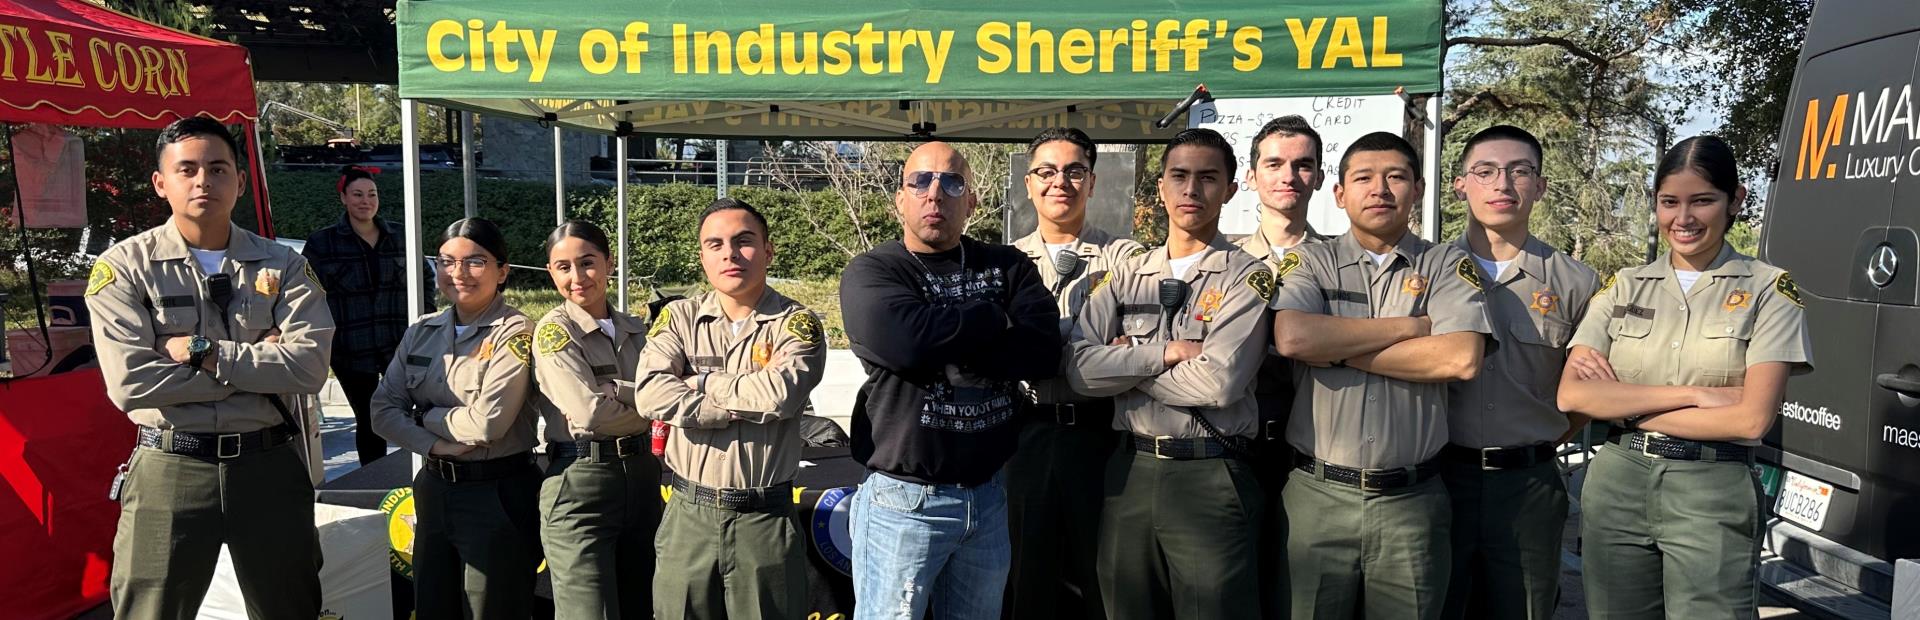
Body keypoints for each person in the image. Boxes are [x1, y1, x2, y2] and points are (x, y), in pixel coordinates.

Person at [87, 116, 333, 620]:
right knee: (148, 611)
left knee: (292, 606)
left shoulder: (283, 265)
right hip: (171, 468)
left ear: (240, 181)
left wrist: (201, 352)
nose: (204, 181)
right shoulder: (124, 267)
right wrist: (259, 364)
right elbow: (131, 383)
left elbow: (308, 369)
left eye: (219, 168)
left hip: (268, 466)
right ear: (161, 183)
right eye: (188, 169)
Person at [1558, 135, 1812, 619]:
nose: (1684, 218)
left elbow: (1751, 421)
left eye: (1703, 201)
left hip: (1712, 488)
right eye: (1669, 202)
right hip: (1617, 485)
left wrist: (1627, 407)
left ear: (1735, 199)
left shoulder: (1769, 290)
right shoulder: (1624, 285)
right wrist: (1695, 395)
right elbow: (1574, 394)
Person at [1269, 131, 1491, 620]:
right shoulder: (1310, 260)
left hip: (1412, 505)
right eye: (1364, 177)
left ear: (1417, 190)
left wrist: (1341, 350)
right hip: (1317, 497)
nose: (1380, 189)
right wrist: (1411, 328)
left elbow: (1460, 358)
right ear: (1340, 193)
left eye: (1396, 177)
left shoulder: (1446, 264)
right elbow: (1294, 339)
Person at [839, 141, 1063, 620]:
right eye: (919, 181)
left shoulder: (1006, 265)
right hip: (905, 501)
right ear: (900, 198)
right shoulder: (874, 272)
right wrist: (992, 317)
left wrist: (947, 336)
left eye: (952, 182)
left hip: (987, 496)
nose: (934, 193)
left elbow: (1043, 350)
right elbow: (906, 343)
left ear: (972, 202)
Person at [1066, 127, 1272, 620]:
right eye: (1178, 176)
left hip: (1210, 472)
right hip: (1131, 472)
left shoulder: (1249, 276)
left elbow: (1217, 384)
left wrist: (1126, 361)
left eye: (1207, 178)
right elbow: (1077, 371)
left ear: (1230, 189)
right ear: (1160, 187)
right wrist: (1167, 353)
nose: (1191, 190)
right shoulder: (1127, 274)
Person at [635, 198, 828, 619]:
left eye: (744, 242)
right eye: (715, 244)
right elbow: (650, 393)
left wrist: (701, 383)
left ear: (768, 250)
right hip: (689, 515)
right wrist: (729, 408)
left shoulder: (796, 323)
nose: (730, 254)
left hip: (764, 519)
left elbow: (780, 395)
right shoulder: (679, 318)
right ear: (703, 256)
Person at [1441, 125, 1601, 620]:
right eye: (1484, 171)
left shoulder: (1576, 282)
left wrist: (1542, 437)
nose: (1502, 185)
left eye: (1519, 171)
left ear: (1541, 186)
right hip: (1438, 480)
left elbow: (1586, 391)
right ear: (1460, 184)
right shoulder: (1424, 270)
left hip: (1528, 486)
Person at [371, 218, 542, 619]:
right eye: (447, 262)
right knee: (432, 605)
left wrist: (422, 414)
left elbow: (488, 425)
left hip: (496, 492)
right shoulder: (422, 332)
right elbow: (381, 410)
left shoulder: (514, 333)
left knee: (492, 608)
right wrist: (436, 444)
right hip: (434, 487)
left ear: (503, 271)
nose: (458, 274)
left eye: (475, 262)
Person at [1003, 127, 1140, 620]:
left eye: (1074, 171)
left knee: (1104, 581)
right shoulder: (1005, 264)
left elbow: (1141, 346)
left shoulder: (1126, 259)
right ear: (1028, 182)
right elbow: (1000, 352)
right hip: (1026, 435)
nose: (1059, 182)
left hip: (1100, 436)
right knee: (1026, 581)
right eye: (1046, 171)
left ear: (1093, 181)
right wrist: (1100, 351)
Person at [530, 220, 659, 619]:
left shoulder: (635, 330)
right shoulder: (554, 331)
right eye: (563, 267)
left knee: (642, 605)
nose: (577, 277)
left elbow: (672, 393)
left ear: (609, 263)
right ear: (551, 272)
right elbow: (589, 412)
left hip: (641, 477)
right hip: (581, 479)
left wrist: (620, 392)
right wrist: (651, 406)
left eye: (587, 263)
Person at [1231, 114, 1330, 618]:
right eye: (1274, 164)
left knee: (1297, 592)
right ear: (1251, 177)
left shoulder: (1338, 263)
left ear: (1318, 174)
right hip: (1235, 446)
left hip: (1312, 446)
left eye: (1302, 165)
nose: (1288, 176)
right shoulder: (1222, 259)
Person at [302, 165, 415, 465]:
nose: (365, 201)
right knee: (368, 419)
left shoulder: (402, 235)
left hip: (399, 343)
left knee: (411, 414)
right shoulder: (322, 243)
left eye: (371, 194)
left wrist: (423, 325)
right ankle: (374, 480)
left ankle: (419, 478)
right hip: (351, 350)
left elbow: (424, 282)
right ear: (343, 198)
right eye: (357, 195)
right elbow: (306, 294)